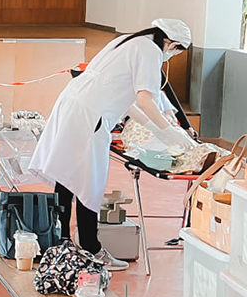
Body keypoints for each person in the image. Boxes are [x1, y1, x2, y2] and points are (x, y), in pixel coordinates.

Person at [28, 19, 200, 272]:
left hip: (73, 103)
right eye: (175, 51)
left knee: (66, 173)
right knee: (90, 181)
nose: (171, 56)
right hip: (91, 113)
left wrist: (160, 130)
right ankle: (91, 248)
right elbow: (144, 99)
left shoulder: (127, 40)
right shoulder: (151, 50)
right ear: (172, 44)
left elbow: (131, 103)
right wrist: (170, 132)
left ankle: (60, 241)